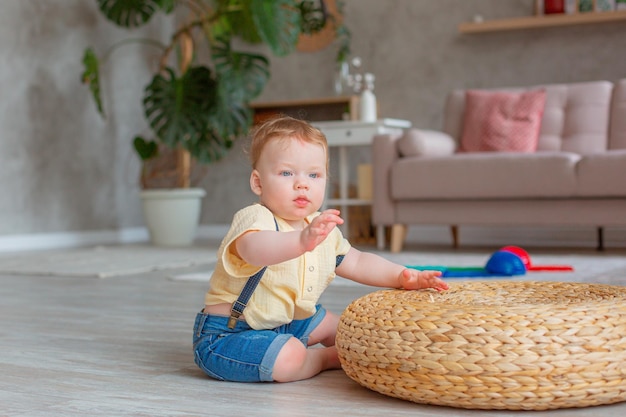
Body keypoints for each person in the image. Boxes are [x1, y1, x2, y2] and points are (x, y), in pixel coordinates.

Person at [193, 115, 448, 383]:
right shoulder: (255, 218)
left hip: (284, 325)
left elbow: (358, 262)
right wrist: (301, 241)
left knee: (348, 330)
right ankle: (322, 359)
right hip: (229, 335)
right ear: (258, 183)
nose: (302, 183)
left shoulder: (318, 228)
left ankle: (331, 348)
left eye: (313, 174)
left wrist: (403, 276)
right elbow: (255, 249)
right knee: (289, 355)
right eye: (286, 173)